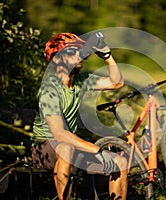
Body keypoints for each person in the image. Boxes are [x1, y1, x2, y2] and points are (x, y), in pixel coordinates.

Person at [31, 32, 128, 200]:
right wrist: (98, 151)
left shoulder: (81, 81)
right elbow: (59, 134)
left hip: (71, 145)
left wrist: (107, 56)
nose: (79, 56)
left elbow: (116, 82)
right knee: (66, 148)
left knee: (120, 162)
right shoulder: (49, 89)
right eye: (72, 52)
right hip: (44, 148)